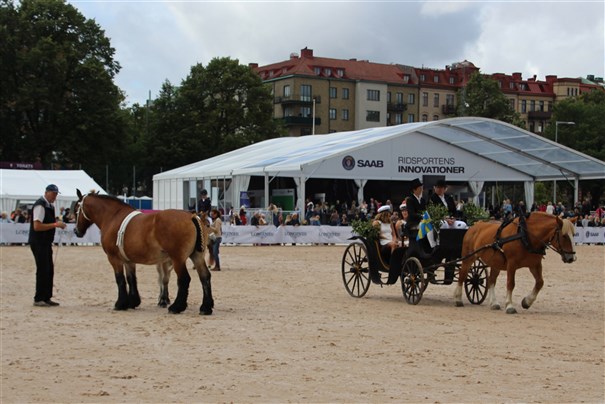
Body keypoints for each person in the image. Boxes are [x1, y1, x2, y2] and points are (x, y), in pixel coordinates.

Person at [29, 184, 66, 307]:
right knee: (42, 269)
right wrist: (55, 225)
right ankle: (39, 298)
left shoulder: (49, 205)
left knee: (49, 269)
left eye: (56, 194)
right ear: (47, 192)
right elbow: (37, 226)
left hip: (45, 242)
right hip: (39, 241)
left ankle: (46, 297)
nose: (55, 197)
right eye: (53, 194)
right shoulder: (40, 205)